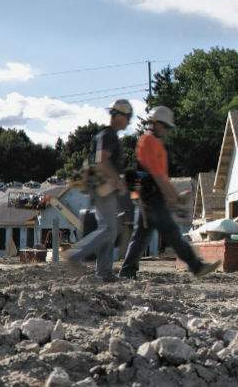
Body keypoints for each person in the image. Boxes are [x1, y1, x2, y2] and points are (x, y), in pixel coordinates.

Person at [120, 106, 221, 279]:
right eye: (165, 126)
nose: (166, 130)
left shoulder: (154, 143)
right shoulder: (149, 142)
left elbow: (163, 178)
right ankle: (196, 267)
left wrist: (175, 197)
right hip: (152, 199)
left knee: (140, 237)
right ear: (155, 123)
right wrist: (174, 199)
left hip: (148, 198)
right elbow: (157, 177)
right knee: (173, 234)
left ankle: (127, 272)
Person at [64, 99, 134, 282]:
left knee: (110, 229)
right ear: (119, 116)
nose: (128, 121)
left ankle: (104, 272)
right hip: (104, 188)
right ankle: (75, 254)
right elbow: (102, 161)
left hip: (101, 187)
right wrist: (117, 181)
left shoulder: (105, 135)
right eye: (128, 117)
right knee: (109, 229)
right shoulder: (108, 135)